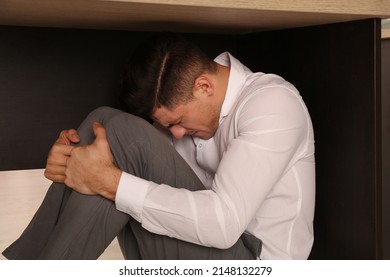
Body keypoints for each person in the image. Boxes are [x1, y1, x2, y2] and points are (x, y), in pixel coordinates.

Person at [2, 35, 315, 260]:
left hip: (254, 263)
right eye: (168, 126)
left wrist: (110, 182)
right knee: (105, 125)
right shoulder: (192, 109)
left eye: (176, 121)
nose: (176, 134)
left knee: (118, 142)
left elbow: (223, 225)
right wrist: (71, 162)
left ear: (204, 86)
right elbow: (126, 152)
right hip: (201, 251)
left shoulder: (272, 103)